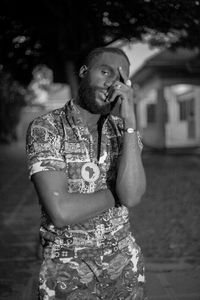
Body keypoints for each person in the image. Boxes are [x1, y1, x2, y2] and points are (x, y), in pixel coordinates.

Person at [26, 47, 147, 300]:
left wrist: (131, 122)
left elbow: (134, 196)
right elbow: (61, 211)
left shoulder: (125, 132)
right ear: (83, 72)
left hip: (125, 269)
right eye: (105, 72)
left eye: (120, 78)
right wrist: (118, 193)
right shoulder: (46, 128)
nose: (112, 83)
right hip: (67, 272)